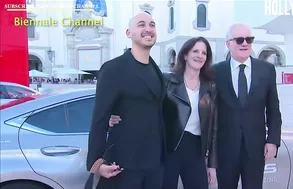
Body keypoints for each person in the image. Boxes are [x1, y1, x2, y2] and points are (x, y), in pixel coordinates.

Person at [109, 37, 218, 189]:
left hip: (196, 151)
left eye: (204, 53)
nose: (200, 55)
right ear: (185, 55)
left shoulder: (210, 86)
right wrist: (114, 115)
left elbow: (213, 127)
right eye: (195, 51)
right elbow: (143, 106)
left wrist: (212, 165)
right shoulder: (166, 81)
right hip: (168, 150)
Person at [86, 12, 166, 189]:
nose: (148, 29)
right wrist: (96, 162)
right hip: (123, 166)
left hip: (155, 166)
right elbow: (99, 118)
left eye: (152, 25)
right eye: (141, 24)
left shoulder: (157, 71)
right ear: (129, 33)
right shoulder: (113, 69)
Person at [213, 23, 282, 189]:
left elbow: (273, 108)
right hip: (226, 148)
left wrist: (273, 140)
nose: (245, 43)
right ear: (228, 43)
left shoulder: (266, 70)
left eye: (249, 39)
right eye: (239, 40)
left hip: (255, 148)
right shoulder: (216, 71)